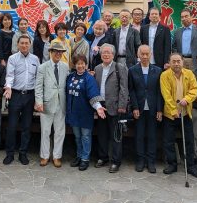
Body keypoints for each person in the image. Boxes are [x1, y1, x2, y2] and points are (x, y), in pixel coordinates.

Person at [160, 53, 197, 178]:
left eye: (178, 61)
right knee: (169, 140)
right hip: (170, 114)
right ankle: (172, 164)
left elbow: (194, 89)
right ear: (170, 62)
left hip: (185, 112)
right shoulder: (165, 75)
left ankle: (190, 166)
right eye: (174, 61)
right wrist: (174, 111)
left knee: (189, 140)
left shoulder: (189, 74)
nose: (176, 63)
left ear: (182, 62)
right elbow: (166, 95)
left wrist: (187, 99)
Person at [3, 34, 40, 165]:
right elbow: (9, 75)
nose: (24, 45)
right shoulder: (12, 58)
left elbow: (37, 79)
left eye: (26, 43)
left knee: (26, 126)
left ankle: (23, 153)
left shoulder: (35, 59)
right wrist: (8, 87)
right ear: (18, 45)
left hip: (30, 96)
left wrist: (37, 98)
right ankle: (10, 153)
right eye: (22, 43)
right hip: (16, 95)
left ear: (30, 45)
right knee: (12, 126)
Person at [66, 54, 106, 171]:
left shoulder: (89, 78)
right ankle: (79, 156)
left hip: (85, 113)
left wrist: (98, 107)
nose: (80, 65)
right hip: (73, 113)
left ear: (86, 64)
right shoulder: (70, 77)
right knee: (77, 137)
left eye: (82, 63)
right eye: (78, 63)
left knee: (86, 137)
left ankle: (85, 159)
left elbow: (92, 94)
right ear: (75, 65)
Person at [94, 43, 129, 173]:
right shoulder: (97, 68)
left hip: (115, 106)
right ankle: (102, 157)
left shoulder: (120, 67)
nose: (106, 54)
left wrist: (122, 106)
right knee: (102, 134)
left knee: (116, 135)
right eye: (104, 52)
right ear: (101, 54)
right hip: (101, 106)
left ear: (113, 55)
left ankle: (115, 161)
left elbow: (124, 89)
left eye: (108, 52)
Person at [34, 41, 69, 167]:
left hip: (61, 103)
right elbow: (38, 86)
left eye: (60, 52)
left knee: (60, 132)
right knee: (45, 131)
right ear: (51, 52)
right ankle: (44, 156)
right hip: (46, 103)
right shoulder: (43, 67)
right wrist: (39, 102)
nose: (58, 54)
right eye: (56, 51)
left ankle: (57, 156)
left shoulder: (65, 67)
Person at [128, 45, 163, 173]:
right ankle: (140, 160)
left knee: (152, 136)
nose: (144, 56)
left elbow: (160, 92)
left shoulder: (158, 70)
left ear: (151, 54)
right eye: (142, 54)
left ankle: (151, 161)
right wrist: (135, 107)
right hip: (139, 108)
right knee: (139, 135)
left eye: (147, 54)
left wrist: (160, 109)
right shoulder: (132, 70)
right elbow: (131, 90)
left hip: (153, 108)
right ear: (138, 54)